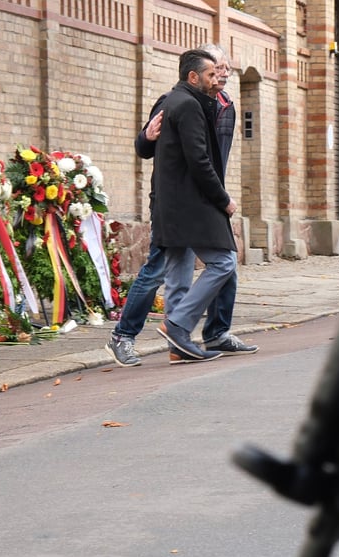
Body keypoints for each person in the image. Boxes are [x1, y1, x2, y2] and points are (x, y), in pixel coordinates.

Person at [105, 45, 257, 366]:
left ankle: (200, 335)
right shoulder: (178, 102)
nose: (223, 74)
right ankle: (132, 334)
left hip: (202, 197)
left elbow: (211, 159)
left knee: (197, 269)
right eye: (216, 69)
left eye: (226, 69)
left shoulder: (224, 105)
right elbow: (150, 148)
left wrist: (216, 194)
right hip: (179, 200)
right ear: (196, 74)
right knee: (170, 270)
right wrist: (146, 136)